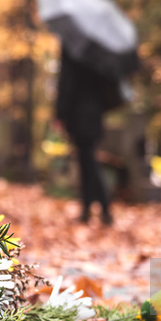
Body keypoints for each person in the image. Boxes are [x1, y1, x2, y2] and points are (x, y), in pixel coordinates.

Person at [55, 45, 114, 225]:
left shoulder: (73, 48)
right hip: (95, 113)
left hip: (79, 113)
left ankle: (104, 207)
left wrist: (60, 113)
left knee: (88, 161)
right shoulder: (99, 49)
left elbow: (66, 81)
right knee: (86, 161)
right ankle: (88, 208)